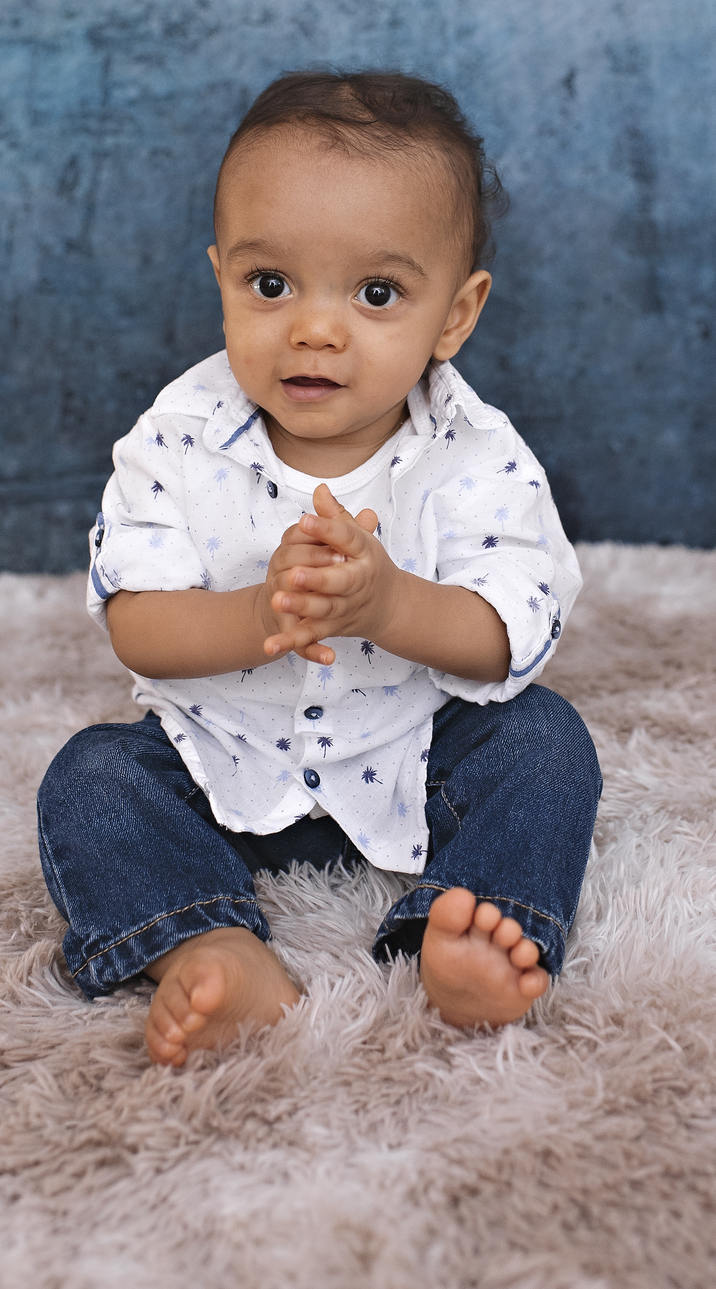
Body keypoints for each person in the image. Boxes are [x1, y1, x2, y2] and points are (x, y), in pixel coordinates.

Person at [37, 70, 601, 1066]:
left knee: (547, 744)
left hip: (418, 750)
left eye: (377, 293)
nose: (315, 328)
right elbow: (140, 624)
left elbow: (509, 632)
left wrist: (388, 602)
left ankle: (466, 929)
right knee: (91, 779)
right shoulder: (178, 442)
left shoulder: (476, 454)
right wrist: (264, 613)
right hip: (221, 757)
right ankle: (205, 942)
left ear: (455, 315)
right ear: (221, 276)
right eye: (270, 285)